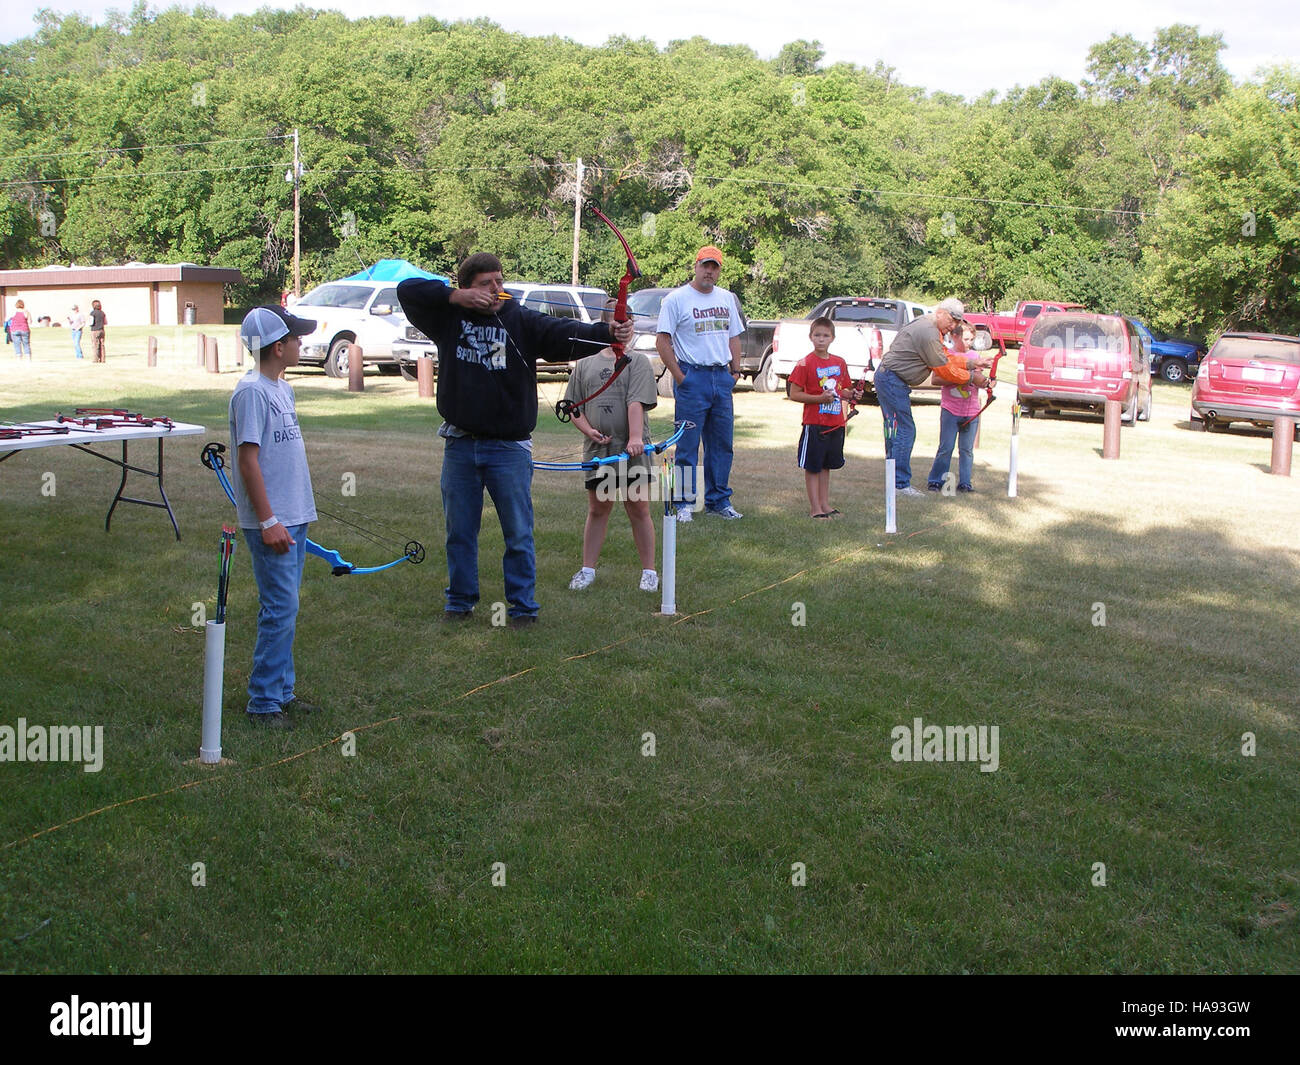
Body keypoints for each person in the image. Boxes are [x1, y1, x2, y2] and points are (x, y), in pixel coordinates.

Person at [397, 254, 634, 627]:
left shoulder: (518, 318)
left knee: (518, 533)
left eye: (499, 280)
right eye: (486, 283)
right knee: (459, 532)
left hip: (508, 447)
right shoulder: (446, 316)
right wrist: (455, 299)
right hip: (459, 444)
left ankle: (523, 608)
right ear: (467, 287)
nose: (496, 288)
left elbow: (563, 334)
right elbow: (407, 290)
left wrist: (609, 334)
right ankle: (459, 602)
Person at [229, 305, 322, 729]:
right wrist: (268, 521)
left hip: (294, 515)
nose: (301, 344)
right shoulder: (252, 392)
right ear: (278, 346)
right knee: (279, 607)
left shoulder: (282, 389)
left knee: (289, 607)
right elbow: (249, 462)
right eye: (296, 338)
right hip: (273, 522)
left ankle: (283, 691)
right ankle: (263, 702)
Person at [655, 245, 744, 522]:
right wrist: (681, 377)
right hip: (692, 375)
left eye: (714, 266)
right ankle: (683, 503)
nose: (709, 271)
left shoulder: (727, 298)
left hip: (721, 377)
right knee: (687, 443)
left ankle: (719, 500)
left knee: (721, 444)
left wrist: (736, 372)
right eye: (705, 265)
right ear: (695, 266)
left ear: (719, 270)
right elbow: (662, 341)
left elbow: (734, 336)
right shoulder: (676, 299)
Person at [562, 343, 660, 592]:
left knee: (638, 507)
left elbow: (636, 401)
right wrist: (589, 431)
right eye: (613, 324)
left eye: (625, 324)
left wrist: (635, 438)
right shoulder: (584, 364)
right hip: (600, 451)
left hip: (633, 450)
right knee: (598, 508)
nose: (619, 330)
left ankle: (649, 572)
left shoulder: (637, 361)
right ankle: (587, 570)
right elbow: (573, 407)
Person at [873, 298, 990, 496]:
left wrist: (972, 363)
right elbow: (944, 369)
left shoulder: (931, 328)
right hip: (892, 379)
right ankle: (900, 484)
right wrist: (972, 377)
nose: (952, 326)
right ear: (941, 313)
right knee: (904, 430)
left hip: (891, 379)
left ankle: (894, 479)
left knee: (896, 430)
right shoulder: (928, 332)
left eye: (957, 323)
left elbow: (946, 357)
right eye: (951, 321)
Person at [788, 317, 859, 519]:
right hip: (815, 424)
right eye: (817, 335)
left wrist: (852, 394)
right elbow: (794, 393)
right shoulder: (805, 363)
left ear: (832, 338)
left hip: (834, 423)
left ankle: (825, 504)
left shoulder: (839, 362)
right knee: (813, 465)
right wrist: (819, 399)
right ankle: (815, 509)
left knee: (826, 465)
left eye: (825, 335)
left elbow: (842, 390)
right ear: (811, 337)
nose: (821, 339)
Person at [927, 322, 984, 493]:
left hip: (971, 411)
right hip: (951, 410)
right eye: (966, 339)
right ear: (955, 337)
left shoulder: (975, 356)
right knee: (946, 447)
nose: (969, 343)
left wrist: (987, 381)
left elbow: (979, 379)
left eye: (972, 339)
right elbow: (936, 380)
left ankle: (965, 482)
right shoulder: (947, 355)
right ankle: (936, 480)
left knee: (967, 450)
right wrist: (965, 378)